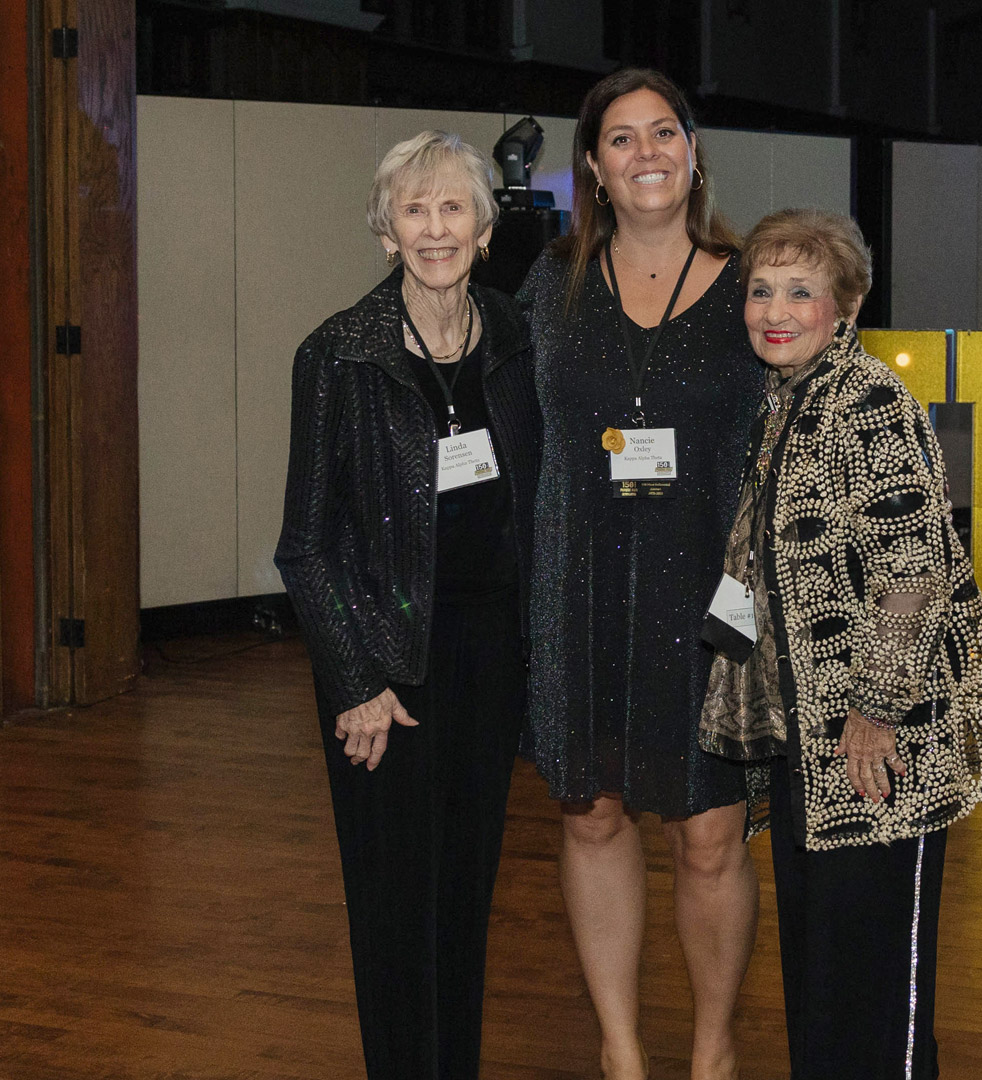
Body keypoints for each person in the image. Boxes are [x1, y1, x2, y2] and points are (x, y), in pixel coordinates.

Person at [700, 209, 982, 1080]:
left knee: (881, 983)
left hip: (880, 748)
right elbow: (756, 565)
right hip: (810, 748)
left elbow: (912, 570)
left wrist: (875, 714)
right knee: (825, 967)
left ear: (846, 305)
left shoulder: (870, 401)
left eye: (801, 290)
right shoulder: (785, 402)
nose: (775, 308)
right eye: (762, 289)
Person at [274, 130, 539, 1080]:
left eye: (452, 208)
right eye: (414, 211)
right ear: (387, 232)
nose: (435, 229)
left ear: (484, 225)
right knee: (395, 909)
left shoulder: (515, 337)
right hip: (386, 668)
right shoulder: (337, 355)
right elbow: (304, 546)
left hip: (489, 659)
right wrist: (355, 683)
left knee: (465, 902)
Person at [517, 68, 761, 1080]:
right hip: (580, 591)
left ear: (694, 151)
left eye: (666, 133)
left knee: (709, 835)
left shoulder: (757, 282)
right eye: (622, 140)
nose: (647, 153)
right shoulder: (549, 286)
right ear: (593, 168)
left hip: (716, 595)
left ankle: (712, 1049)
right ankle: (621, 1050)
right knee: (597, 814)